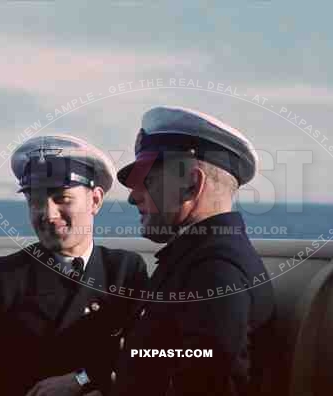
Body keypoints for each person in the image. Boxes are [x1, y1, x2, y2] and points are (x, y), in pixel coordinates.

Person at [0, 135, 148, 396]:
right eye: (35, 200)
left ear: (95, 200)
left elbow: (145, 354)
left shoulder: (125, 271)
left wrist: (83, 379)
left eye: (62, 198)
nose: (47, 214)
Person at [111, 106, 275, 396]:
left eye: (147, 182)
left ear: (190, 186)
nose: (132, 197)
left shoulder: (215, 270)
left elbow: (204, 376)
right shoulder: (196, 258)